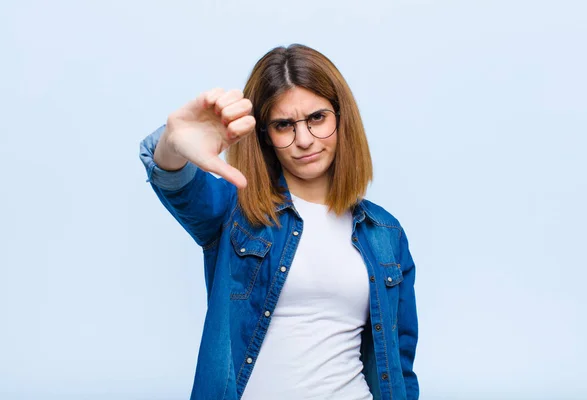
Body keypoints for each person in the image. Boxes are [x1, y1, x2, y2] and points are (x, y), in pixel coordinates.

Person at [139, 44, 419, 400]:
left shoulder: (385, 233)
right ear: (265, 136)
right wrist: (173, 145)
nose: (304, 140)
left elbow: (399, 363)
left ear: (340, 118)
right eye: (284, 125)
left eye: (317, 118)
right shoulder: (236, 214)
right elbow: (174, 180)